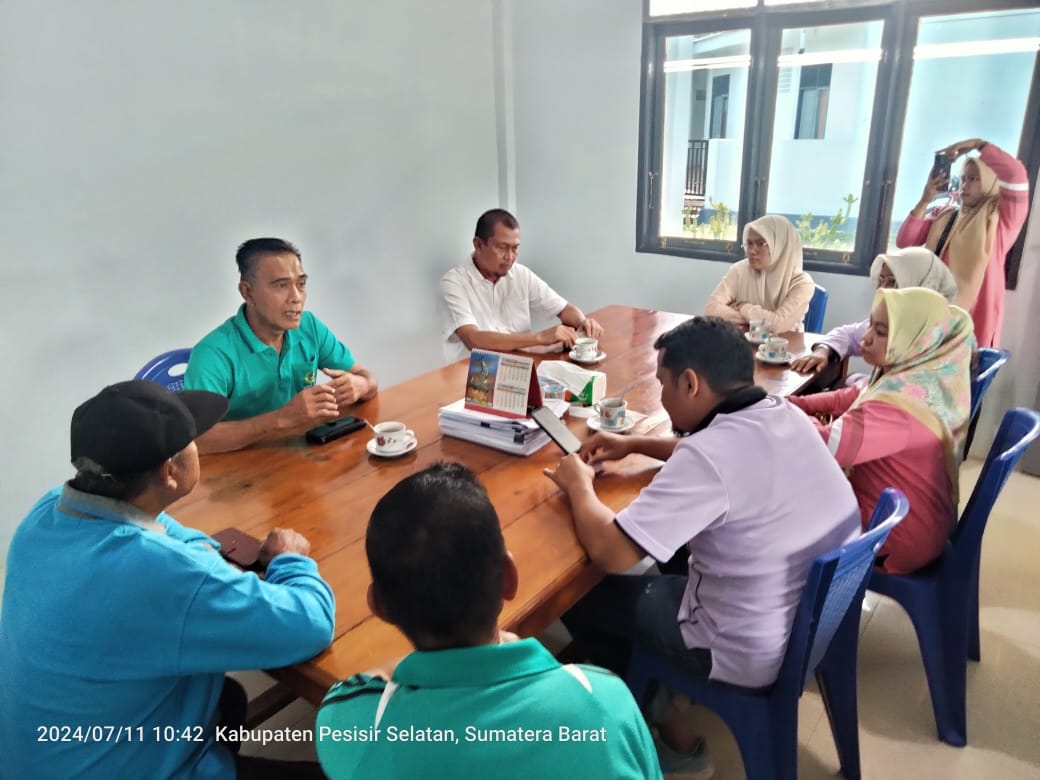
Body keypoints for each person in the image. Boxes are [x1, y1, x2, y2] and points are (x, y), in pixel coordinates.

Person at [544, 317, 859, 770]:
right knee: (673, 555)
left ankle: (670, 729)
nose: (662, 395)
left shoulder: (708, 456)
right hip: (810, 623)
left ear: (691, 383)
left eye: (663, 384)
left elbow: (612, 552)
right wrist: (634, 443)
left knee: (578, 596)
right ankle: (665, 686)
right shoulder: (783, 413)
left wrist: (578, 486)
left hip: (746, 645)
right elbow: (719, 459)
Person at [0, 380, 335, 779]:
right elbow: (310, 624)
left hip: (43, 756)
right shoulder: (155, 571)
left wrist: (197, 556)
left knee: (226, 697)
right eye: (193, 439)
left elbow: (160, 529)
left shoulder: (50, 509)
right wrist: (289, 561)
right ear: (170, 472)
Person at [315, 463, 660, 780]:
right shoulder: (604, 701)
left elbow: (363, 686)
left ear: (379, 606)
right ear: (509, 578)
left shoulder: (350, 721)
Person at [787, 288, 973, 574]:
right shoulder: (915, 378)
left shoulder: (900, 408)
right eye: (871, 324)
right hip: (913, 517)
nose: (866, 339)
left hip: (893, 535)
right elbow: (848, 396)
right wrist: (794, 403)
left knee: (773, 510)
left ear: (915, 339)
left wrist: (784, 414)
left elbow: (822, 449)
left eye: (882, 331)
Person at [184, 237, 378, 453]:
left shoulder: (310, 326)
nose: (296, 298)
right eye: (281, 285)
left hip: (300, 458)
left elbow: (367, 378)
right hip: (238, 473)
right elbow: (196, 440)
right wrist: (281, 418)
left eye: (301, 284)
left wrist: (361, 386)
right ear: (247, 292)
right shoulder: (213, 354)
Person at [896, 138, 1029, 348]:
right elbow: (905, 241)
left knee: (962, 379)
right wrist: (925, 200)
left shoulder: (1002, 219)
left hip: (974, 322)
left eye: (974, 179)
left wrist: (979, 145)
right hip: (935, 317)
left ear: (989, 181)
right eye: (963, 179)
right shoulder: (947, 215)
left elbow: (1016, 175)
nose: (965, 186)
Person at [438, 209, 604, 363]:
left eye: (515, 248)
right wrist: (540, 338)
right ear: (478, 245)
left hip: (518, 370)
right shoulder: (453, 283)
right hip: (472, 375)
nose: (510, 257)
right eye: (502, 248)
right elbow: (474, 339)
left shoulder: (521, 274)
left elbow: (564, 309)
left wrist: (583, 321)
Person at [791, 246, 957, 375]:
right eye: (881, 280)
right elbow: (848, 334)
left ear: (922, 285)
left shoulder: (933, 338)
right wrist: (823, 350)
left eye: (892, 282)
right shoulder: (896, 321)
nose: (882, 290)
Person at [704, 214, 815, 333]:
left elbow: (778, 325)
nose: (751, 251)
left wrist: (743, 307)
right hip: (744, 342)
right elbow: (711, 309)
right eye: (749, 243)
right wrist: (760, 319)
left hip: (786, 346)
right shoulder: (739, 270)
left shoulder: (802, 283)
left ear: (780, 246)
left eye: (761, 243)